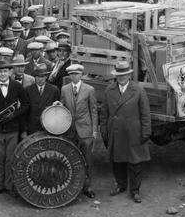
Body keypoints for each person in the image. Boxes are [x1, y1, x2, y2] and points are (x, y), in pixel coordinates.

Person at [100, 61, 151, 204]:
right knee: (117, 161)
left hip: (133, 132)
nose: (121, 77)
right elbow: (104, 113)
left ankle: (135, 191)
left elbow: (145, 113)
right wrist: (104, 131)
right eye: (119, 75)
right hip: (116, 132)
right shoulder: (109, 90)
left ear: (129, 75)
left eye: (124, 74)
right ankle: (121, 185)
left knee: (135, 162)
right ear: (116, 76)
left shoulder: (138, 90)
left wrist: (146, 132)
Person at [0, 62, 29, 198]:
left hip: (12, 129)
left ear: (10, 72)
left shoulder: (17, 86)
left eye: (5, 71)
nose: (3, 74)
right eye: (0, 72)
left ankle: (9, 186)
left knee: (11, 159)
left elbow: (26, 104)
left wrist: (14, 114)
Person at [60, 63, 97, 199]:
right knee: (70, 159)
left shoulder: (89, 89)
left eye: (76, 74)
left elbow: (93, 111)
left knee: (87, 159)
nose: (74, 76)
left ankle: (87, 187)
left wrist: (94, 131)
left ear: (81, 75)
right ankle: (72, 187)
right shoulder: (64, 89)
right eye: (71, 74)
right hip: (70, 130)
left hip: (85, 130)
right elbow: (62, 109)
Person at [24, 65, 60, 135]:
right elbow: (25, 112)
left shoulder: (54, 90)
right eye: (37, 76)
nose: (40, 79)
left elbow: (57, 110)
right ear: (34, 77)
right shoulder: (28, 90)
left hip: (48, 126)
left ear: (46, 77)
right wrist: (24, 130)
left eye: (42, 76)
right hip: (32, 127)